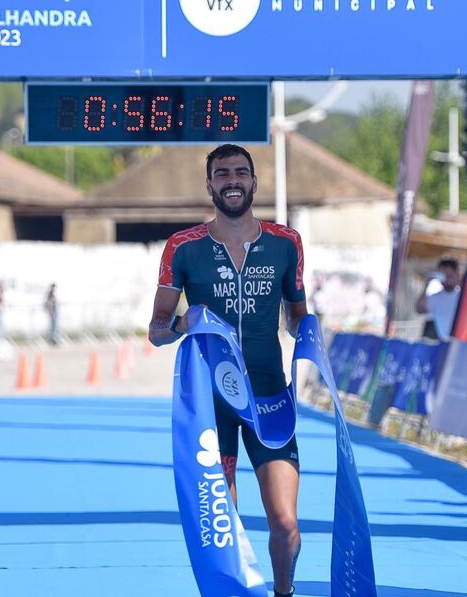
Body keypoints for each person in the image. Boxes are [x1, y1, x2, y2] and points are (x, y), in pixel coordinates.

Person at [148, 144, 306, 597]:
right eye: (222, 174)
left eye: (240, 172)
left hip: (269, 399)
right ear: (210, 185)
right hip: (211, 405)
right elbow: (157, 330)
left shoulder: (286, 242)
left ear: (254, 182)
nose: (232, 180)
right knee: (226, 527)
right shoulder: (183, 247)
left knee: (286, 524)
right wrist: (184, 323)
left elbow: (296, 316)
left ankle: (284, 591)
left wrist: (312, 334)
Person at [415, 258, 467, 341]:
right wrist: (427, 284)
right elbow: (419, 309)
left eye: (450, 275)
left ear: (457, 274)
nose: (447, 278)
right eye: (444, 275)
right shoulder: (436, 298)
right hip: (449, 342)